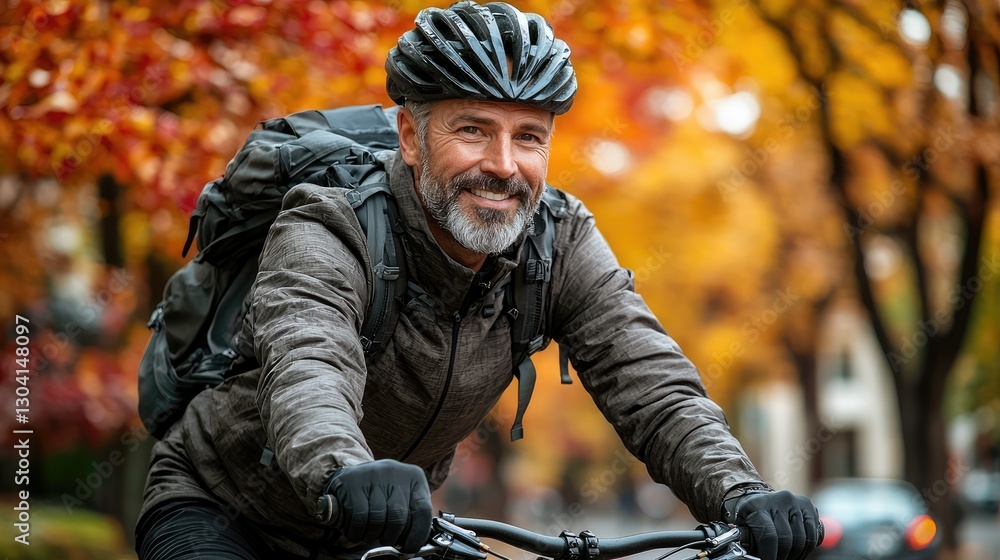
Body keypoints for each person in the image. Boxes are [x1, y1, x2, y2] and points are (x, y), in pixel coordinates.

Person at [136, 2, 821, 559]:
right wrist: (344, 468)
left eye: (528, 137)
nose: (502, 164)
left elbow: (652, 385)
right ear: (409, 137)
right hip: (222, 511)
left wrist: (742, 494)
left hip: (381, 533)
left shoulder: (560, 239)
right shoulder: (330, 223)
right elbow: (308, 362)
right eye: (472, 129)